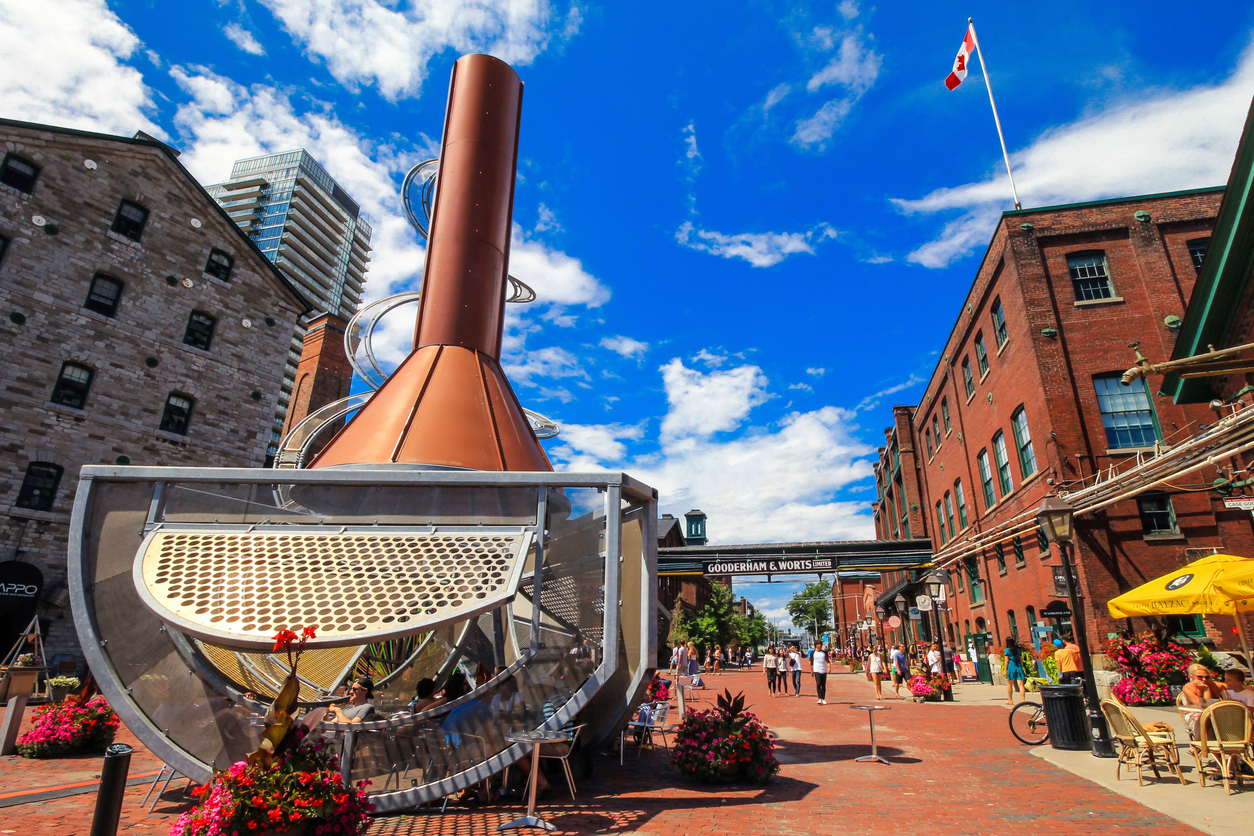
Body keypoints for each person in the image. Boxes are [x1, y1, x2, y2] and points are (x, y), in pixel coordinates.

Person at [1003, 637, 1028, 706]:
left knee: (1010, 684)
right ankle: (1023, 701)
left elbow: (1006, 660)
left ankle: (1010, 699)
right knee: (1021, 685)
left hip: (1011, 666)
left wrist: (1005, 670)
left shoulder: (1007, 650)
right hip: (1018, 666)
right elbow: (1021, 659)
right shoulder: (1018, 650)